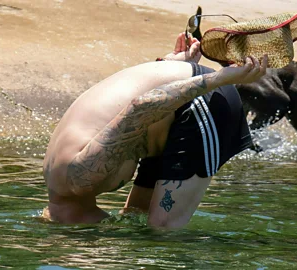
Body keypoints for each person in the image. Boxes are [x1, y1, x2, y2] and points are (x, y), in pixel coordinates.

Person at [42, 32, 268, 228]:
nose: (103, 225)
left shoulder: (82, 177)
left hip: (199, 101)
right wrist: (167, 65)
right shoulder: (59, 180)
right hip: (157, 118)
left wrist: (219, 78)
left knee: (162, 229)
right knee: (135, 218)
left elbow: (142, 106)